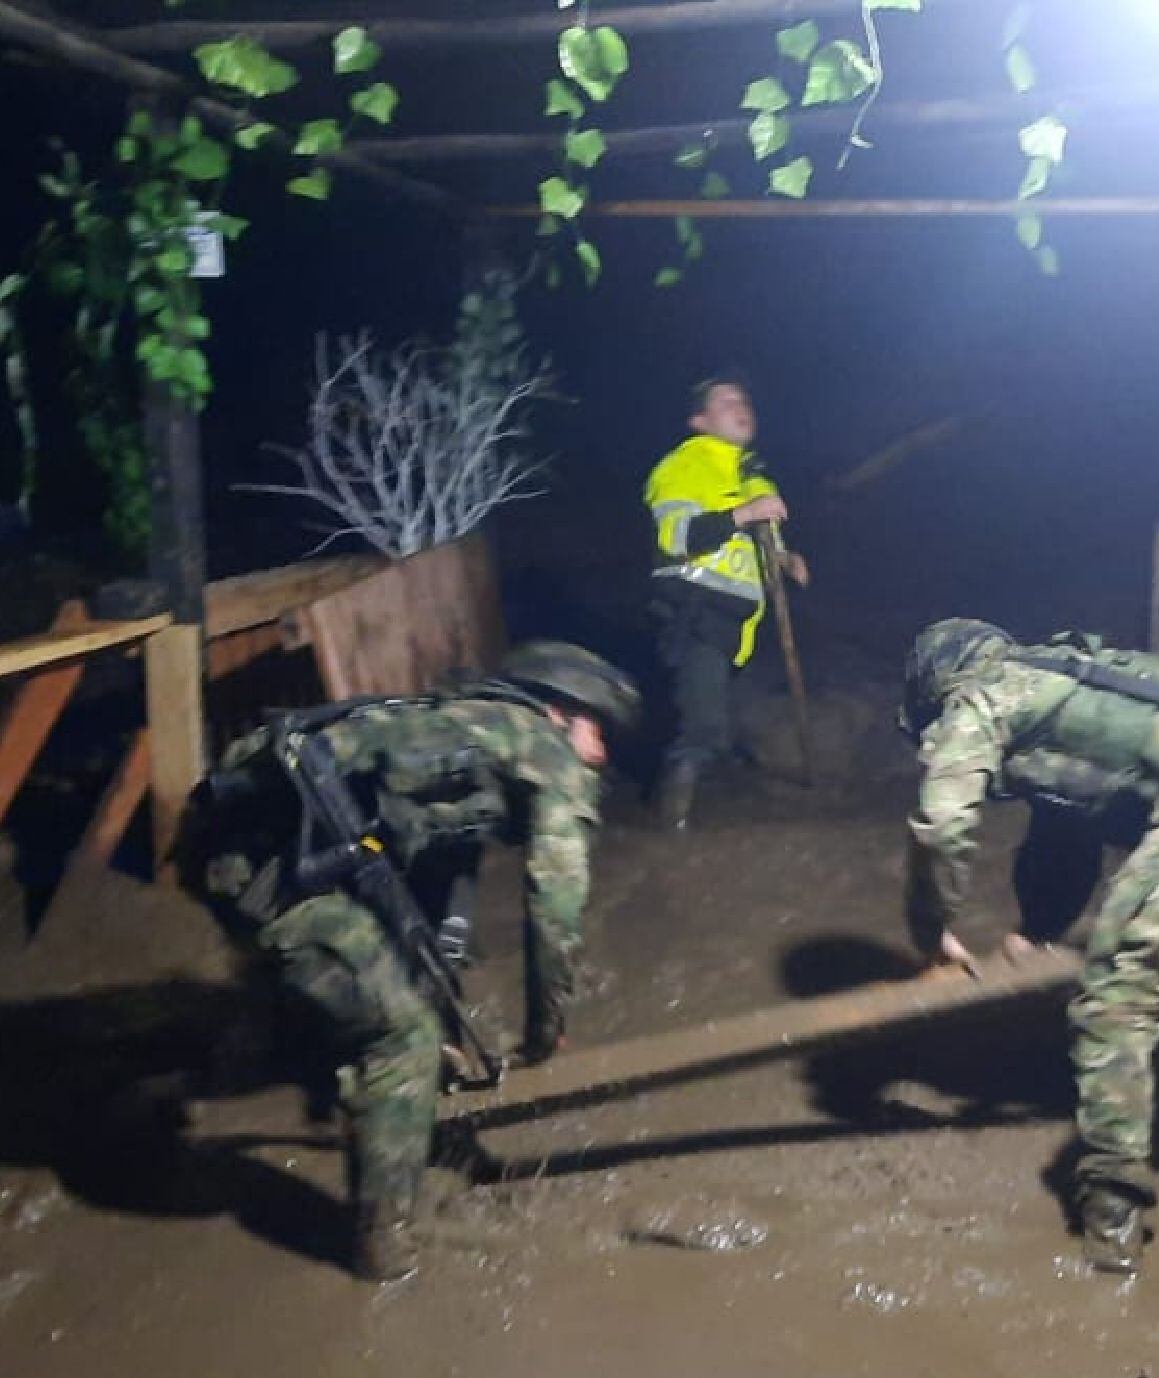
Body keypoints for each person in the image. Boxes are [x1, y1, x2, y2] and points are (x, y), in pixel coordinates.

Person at [183, 642, 641, 1281]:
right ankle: (383, 1242)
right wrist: (545, 1028)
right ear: (560, 712)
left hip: (232, 844)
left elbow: (429, 891)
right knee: (404, 1039)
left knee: (384, 986)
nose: (602, 754)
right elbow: (555, 907)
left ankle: (277, 1043)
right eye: (598, 732)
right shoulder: (545, 751)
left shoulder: (464, 722)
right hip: (273, 877)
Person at [899, 620, 1159, 1276]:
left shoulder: (981, 698)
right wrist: (1037, 933)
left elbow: (941, 824)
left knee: (1117, 991)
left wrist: (930, 932)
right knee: (1063, 823)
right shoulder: (1049, 679)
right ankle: (1085, 1078)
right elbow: (1066, 821)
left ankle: (1113, 1219)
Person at [644, 376, 809, 829]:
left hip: (737, 623)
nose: (742, 407)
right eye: (727, 401)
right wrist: (745, 513)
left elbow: (760, 544)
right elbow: (677, 538)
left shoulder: (754, 475)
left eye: (745, 400)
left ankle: (715, 800)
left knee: (719, 718)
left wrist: (784, 559)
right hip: (694, 612)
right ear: (699, 420)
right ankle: (667, 824)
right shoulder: (683, 466)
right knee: (703, 726)